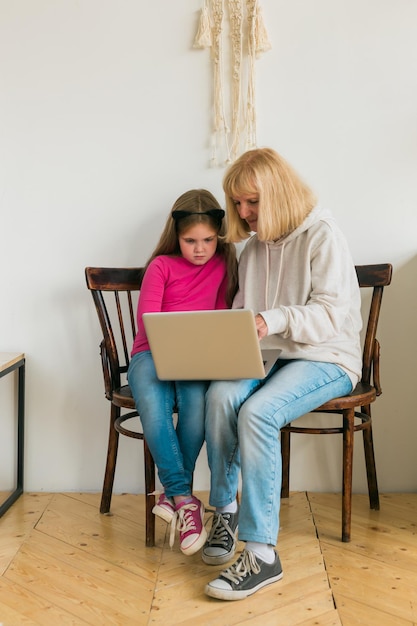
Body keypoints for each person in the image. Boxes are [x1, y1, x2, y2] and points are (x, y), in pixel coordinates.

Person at [203, 148, 362, 600]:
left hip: (326, 357)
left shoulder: (322, 234)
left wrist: (269, 320)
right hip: (269, 355)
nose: (243, 213)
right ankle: (225, 512)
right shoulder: (253, 247)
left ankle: (262, 554)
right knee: (219, 396)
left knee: (257, 412)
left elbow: (331, 314)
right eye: (237, 203)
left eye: (251, 202)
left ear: (276, 194)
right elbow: (243, 313)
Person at [128, 189, 237, 556]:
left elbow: (221, 318)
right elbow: (148, 323)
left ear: (218, 236)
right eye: (191, 241)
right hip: (150, 355)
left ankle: (174, 496)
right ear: (176, 236)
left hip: (195, 359)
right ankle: (185, 498)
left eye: (207, 240)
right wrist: (168, 350)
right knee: (153, 409)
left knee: (197, 406)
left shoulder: (224, 263)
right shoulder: (161, 266)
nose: (200, 248)